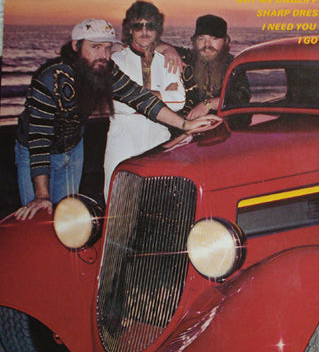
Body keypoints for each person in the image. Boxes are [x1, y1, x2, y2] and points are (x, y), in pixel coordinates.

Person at [14, 18, 219, 221]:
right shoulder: (50, 79)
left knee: (65, 218)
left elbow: (139, 98)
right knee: (38, 216)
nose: (103, 55)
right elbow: (39, 140)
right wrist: (41, 195)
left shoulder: (104, 69)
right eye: (95, 47)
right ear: (76, 46)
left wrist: (185, 124)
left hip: (72, 147)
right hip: (33, 152)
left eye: (107, 48)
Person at [103, 1, 185, 199]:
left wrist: (134, 97)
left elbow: (179, 101)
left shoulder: (167, 61)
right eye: (138, 26)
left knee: (158, 200)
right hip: (123, 140)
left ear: (157, 30)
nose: (145, 31)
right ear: (130, 29)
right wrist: (160, 94)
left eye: (150, 26)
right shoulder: (116, 61)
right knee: (118, 199)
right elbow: (114, 104)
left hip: (159, 138)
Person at [171, 14, 250, 121]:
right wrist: (168, 50)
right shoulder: (185, 59)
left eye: (214, 39)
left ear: (226, 41)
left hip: (222, 126)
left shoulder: (234, 65)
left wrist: (209, 104)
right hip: (184, 127)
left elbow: (243, 96)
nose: (207, 45)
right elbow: (152, 44)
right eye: (201, 39)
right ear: (194, 41)